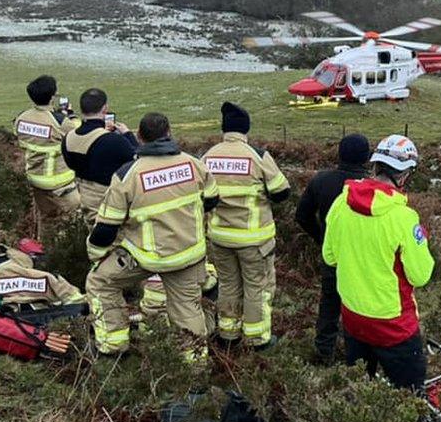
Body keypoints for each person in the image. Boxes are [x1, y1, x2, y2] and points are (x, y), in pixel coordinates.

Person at [85, 113, 218, 362]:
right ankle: (195, 371)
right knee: (187, 310)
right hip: (189, 254)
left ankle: (113, 348)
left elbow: (105, 227)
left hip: (146, 257)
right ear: (169, 132)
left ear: (139, 137)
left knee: (100, 282)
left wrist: (95, 253)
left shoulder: (127, 175)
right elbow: (212, 199)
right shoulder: (194, 163)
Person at [322, 135, 434, 390]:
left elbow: (329, 256)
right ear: (404, 176)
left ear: (375, 167)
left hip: (352, 318)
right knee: (410, 395)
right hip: (393, 325)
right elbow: (421, 275)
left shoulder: (342, 202)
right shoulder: (403, 218)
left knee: (361, 389)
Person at [201, 102, 290, 350]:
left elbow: (203, 197)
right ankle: (257, 339)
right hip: (254, 240)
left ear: (224, 128)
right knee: (256, 288)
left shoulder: (207, 156)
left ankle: (228, 335)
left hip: (220, 237)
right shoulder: (257, 155)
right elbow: (282, 192)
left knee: (228, 286)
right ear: (245, 128)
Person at [295, 133, 370, 364]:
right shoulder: (372, 188)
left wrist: (322, 238)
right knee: (362, 306)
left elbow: (302, 215)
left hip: (332, 256)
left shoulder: (321, 181)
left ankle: (323, 352)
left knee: (329, 302)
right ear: (367, 158)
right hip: (365, 260)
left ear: (339, 153)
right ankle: (358, 358)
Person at [61, 88, 138, 228]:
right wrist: (128, 135)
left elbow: (71, 163)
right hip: (109, 204)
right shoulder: (114, 141)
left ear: (82, 109)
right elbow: (139, 160)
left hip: (84, 199)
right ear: (105, 109)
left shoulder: (68, 138)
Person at [14, 75, 81, 219]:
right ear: (52, 97)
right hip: (60, 181)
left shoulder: (21, 118)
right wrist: (71, 115)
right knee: (74, 217)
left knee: (47, 218)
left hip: (34, 178)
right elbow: (77, 131)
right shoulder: (60, 121)